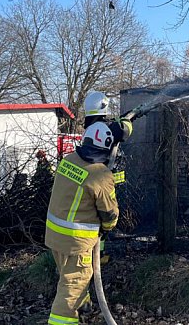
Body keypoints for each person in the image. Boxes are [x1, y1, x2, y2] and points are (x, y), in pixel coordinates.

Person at [45, 122, 119, 325]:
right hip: (77, 243)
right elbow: (110, 213)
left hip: (55, 236)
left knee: (69, 277)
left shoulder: (68, 160)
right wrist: (108, 228)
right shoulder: (101, 174)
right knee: (73, 285)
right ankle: (62, 321)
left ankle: (84, 305)